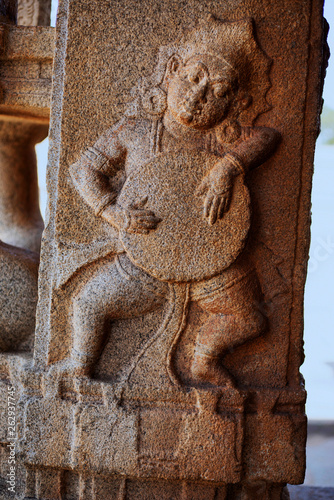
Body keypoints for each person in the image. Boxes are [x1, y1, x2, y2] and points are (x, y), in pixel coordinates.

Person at [68, 17, 281, 386]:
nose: (198, 97)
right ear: (171, 72)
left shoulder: (222, 140)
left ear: (235, 103)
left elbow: (268, 137)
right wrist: (112, 211)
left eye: (217, 91)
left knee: (249, 319)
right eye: (194, 77)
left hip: (209, 264)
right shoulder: (135, 131)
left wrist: (230, 166)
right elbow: (84, 169)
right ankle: (77, 366)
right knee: (87, 303)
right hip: (144, 259)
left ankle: (202, 360)